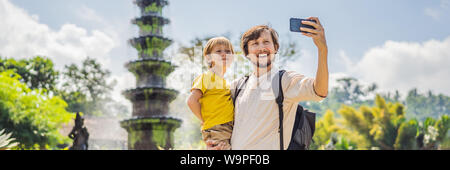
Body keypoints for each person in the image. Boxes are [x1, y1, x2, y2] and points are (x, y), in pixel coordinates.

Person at [206, 17, 328, 150]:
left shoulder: (285, 80)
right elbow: (221, 121)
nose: (261, 48)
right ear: (246, 52)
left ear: (275, 48)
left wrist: (322, 49)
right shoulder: (237, 86)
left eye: (266, 42)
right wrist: (216, 143)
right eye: (255, 44)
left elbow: (319, 91)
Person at [187, 37, 235, 150]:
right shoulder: (206, 77)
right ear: (209, 58)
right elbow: (191, 101)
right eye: (218, 51)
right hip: (217, 128)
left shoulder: (225, 82)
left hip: (226, 127)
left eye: (228, 51)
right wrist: (203, 119)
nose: (224, 54)